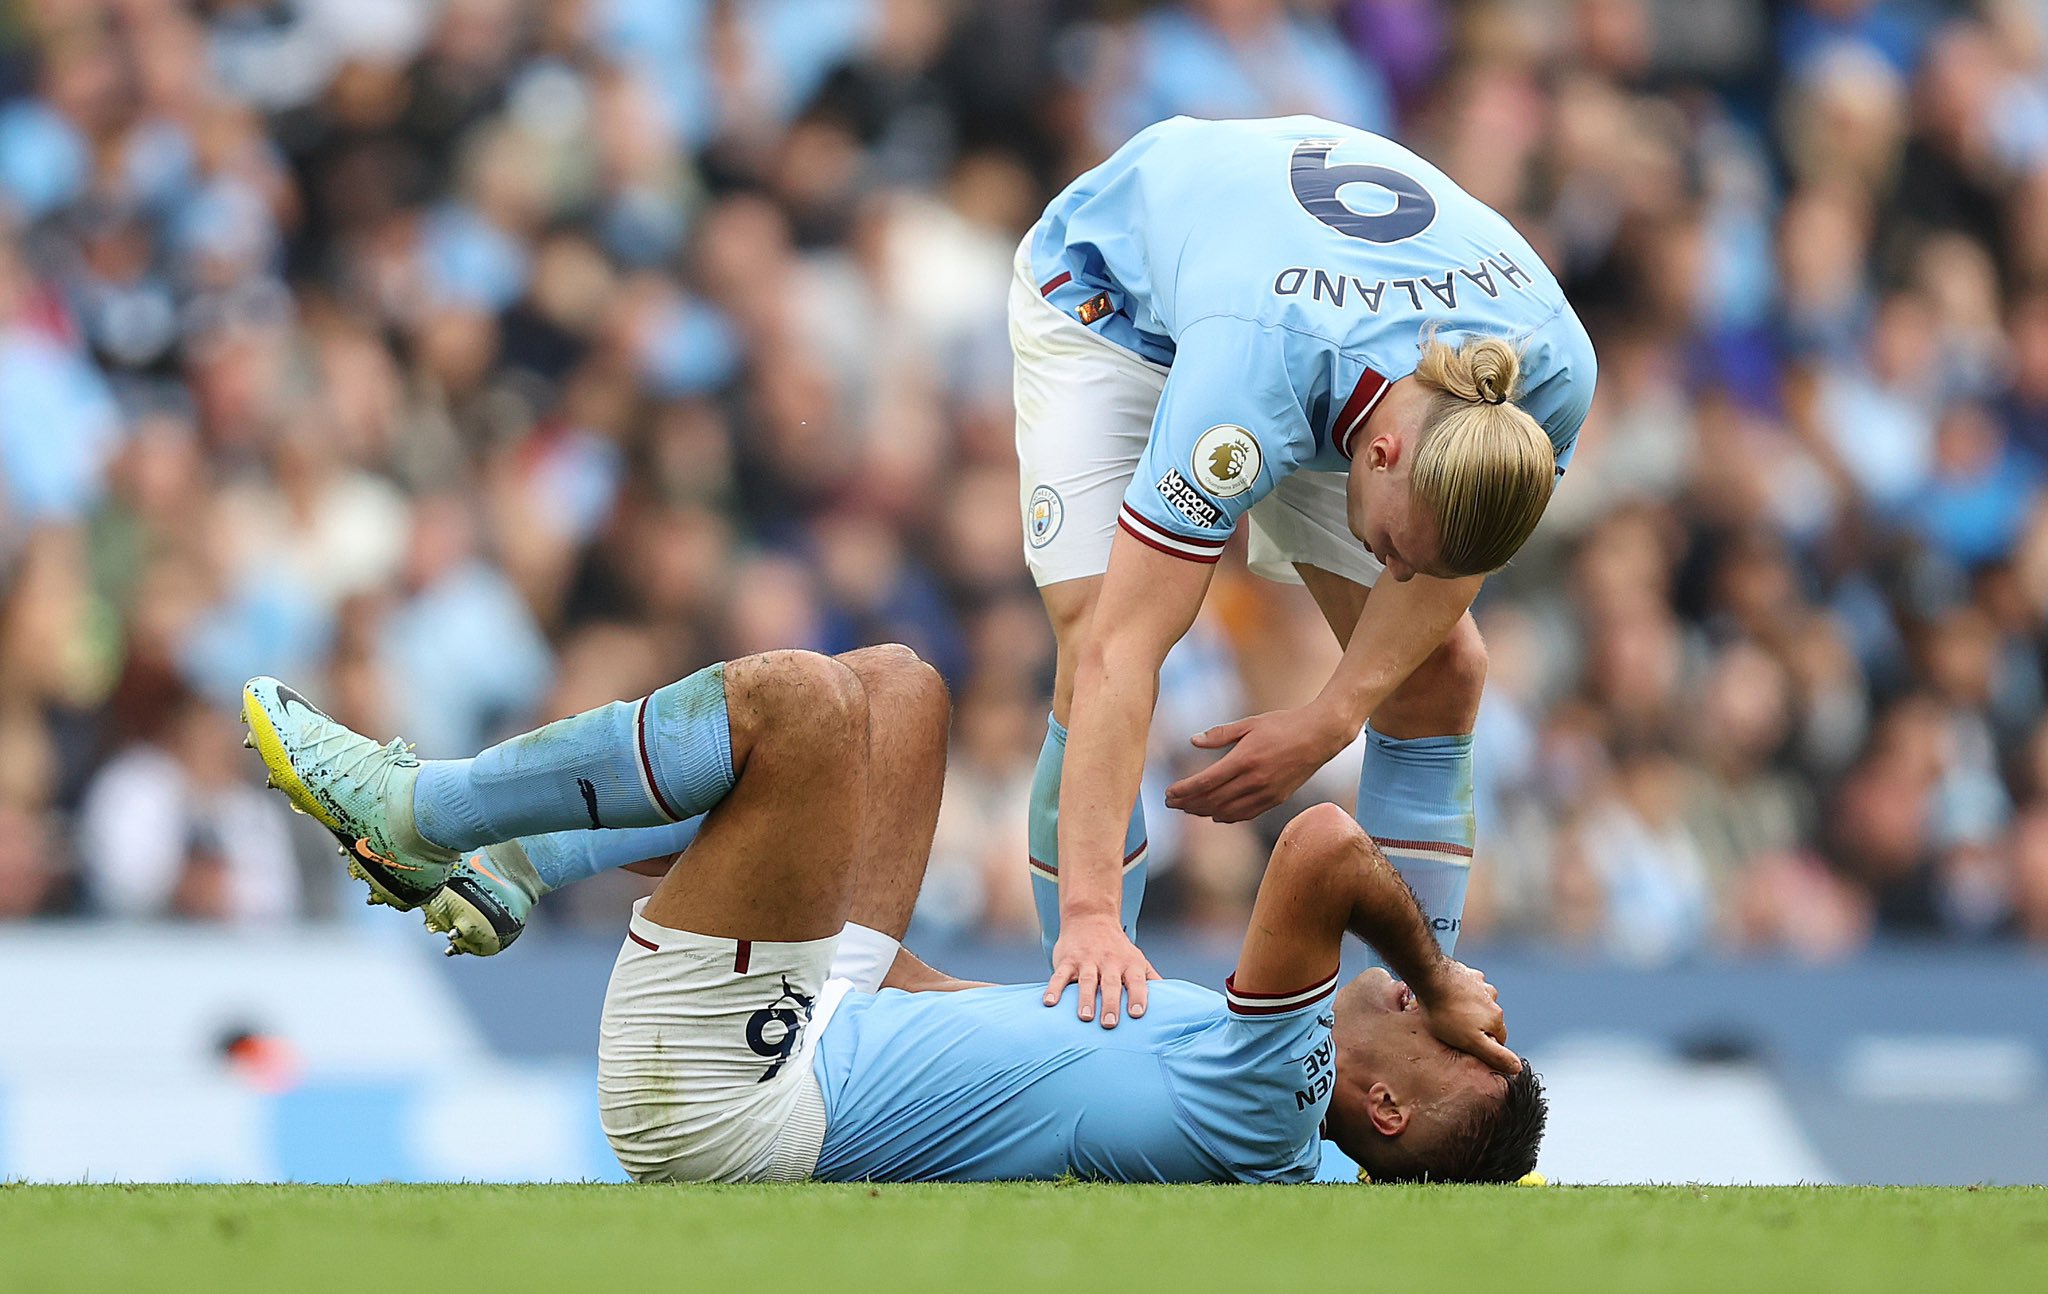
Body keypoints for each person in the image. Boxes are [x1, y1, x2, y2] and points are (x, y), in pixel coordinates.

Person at [240, 644, 1543, 1185]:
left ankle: (439, 814)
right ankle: (513, 860)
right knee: (900, 691)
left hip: (733, 1096)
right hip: (828, 1019)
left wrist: (1429, 970)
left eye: (1456, 1043)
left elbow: (1322, 846)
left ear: (1384, 1107)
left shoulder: (1276, 1093)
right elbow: (959, 1027)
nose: (1450, 1007)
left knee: (799, 712)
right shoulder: (1278, 1119)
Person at [1012, 115, 1597, 1026]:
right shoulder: (1248, 387)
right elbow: (1122, 656)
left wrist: (1334, 717)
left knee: (1440, 672)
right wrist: (1088, 912)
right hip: (1110, 294)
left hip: (1296, 304)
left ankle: (1414, 1015)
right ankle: (1085, 987)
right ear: (1383, 453)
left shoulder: (1549, 373)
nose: (1400, 572)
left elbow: (1443, 572)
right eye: (1400, 549)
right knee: (1096, 627)